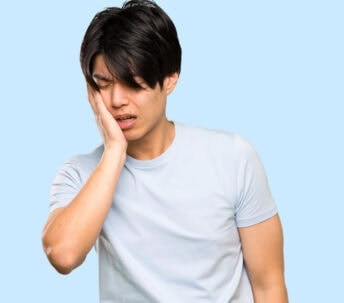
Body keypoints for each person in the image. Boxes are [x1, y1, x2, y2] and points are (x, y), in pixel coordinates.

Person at [42, 0, 288, 302]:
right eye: (103, 84)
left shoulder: (233, 158)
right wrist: (115, 151)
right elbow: (63, 255)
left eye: (132, 83)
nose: (117, 100)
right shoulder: (81, 174)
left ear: (170, 78)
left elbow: (269, 285)